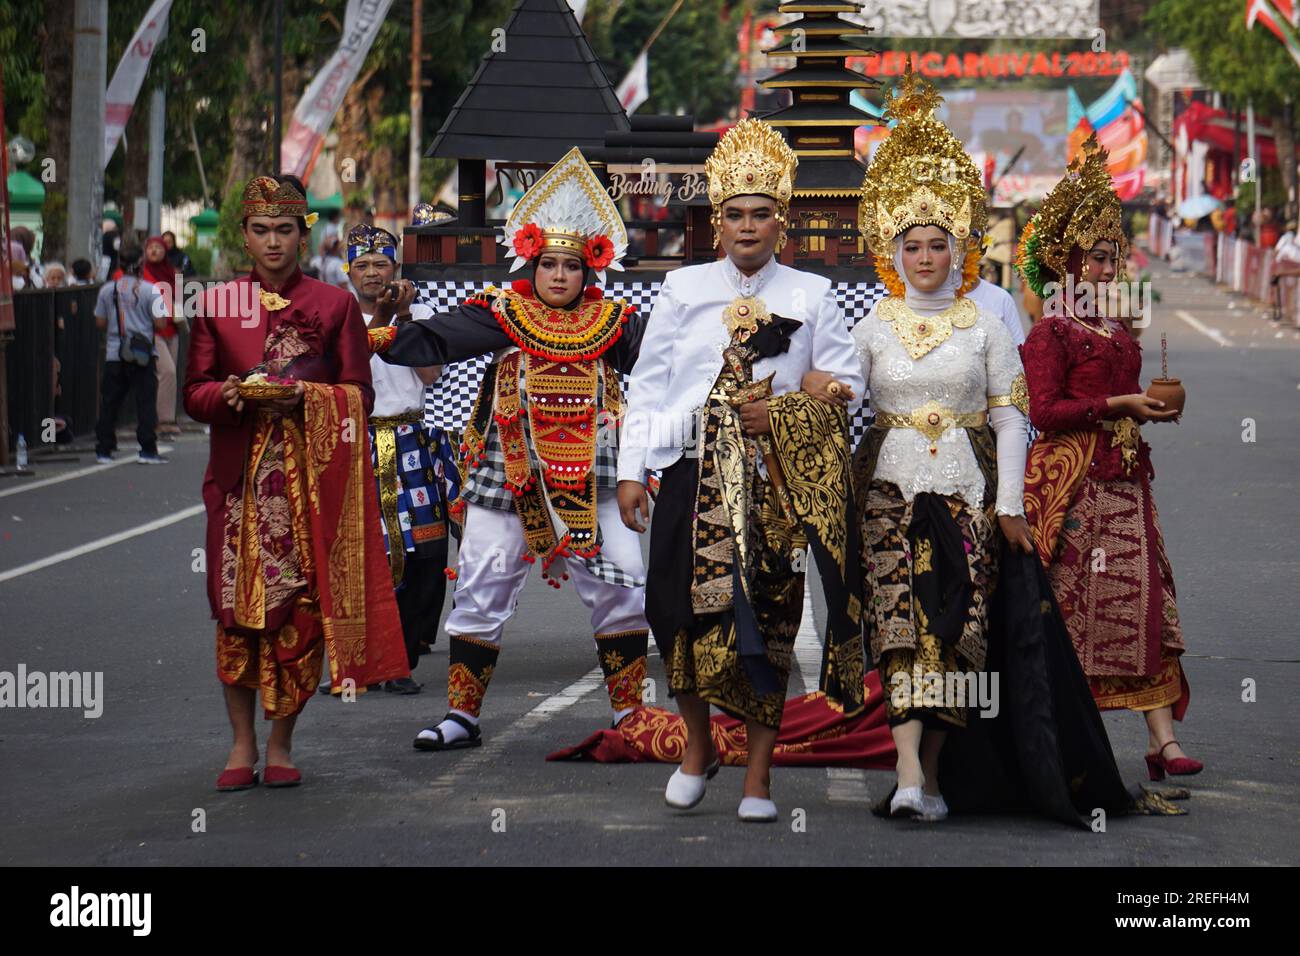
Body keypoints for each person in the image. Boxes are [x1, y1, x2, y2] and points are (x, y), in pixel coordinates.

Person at [617, 119, 867, 823]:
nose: (747, 226)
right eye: (735, 214)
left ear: (781, 222)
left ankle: (758, 777)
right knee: (674, 615)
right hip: (693, 471)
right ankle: (698, 748)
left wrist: (791, 407)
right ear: (717, 221)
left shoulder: (813, 294)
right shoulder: (682, 287)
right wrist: (633, 470)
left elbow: (844, 383)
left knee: (768, 619)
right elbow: (650, 383)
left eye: (761, 214)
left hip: (773, 482)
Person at [371, 148, 653, 750]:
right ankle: (461, 717)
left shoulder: (617, 321)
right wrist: (378, 330)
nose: (558, 276)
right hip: (511, 473)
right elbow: (434, 338)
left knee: (625, 580)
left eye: (570, 266)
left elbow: (663, 364)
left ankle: (632, 714)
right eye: (547, 263)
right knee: (481, 578)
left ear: (589, 270)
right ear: (531, 264)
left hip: (597, 475)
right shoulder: (503, 314)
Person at [841, 65, 1033, 822]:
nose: (926, 257)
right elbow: (844, 398)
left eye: (938, 244)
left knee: (957, 631)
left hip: (967, 493)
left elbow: (1012, 416)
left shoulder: (987, 323)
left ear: (961, 249)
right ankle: (907, 771)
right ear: (893, 249)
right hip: (887, 491)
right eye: (912, 245)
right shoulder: (872, 324)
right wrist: (819, 392)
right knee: (895, 626)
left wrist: (1011, 503)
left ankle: (935, 770)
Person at [183, 174, 408, 791]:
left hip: (312, 483)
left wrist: (301, 396)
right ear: (245, 236)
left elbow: (359, 395)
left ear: (303, 234)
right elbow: (193, 392)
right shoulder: (217, 303)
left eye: (285, 229)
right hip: (236, 488)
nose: (274, 242)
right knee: (234, 614)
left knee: (299, 613)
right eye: (261, 230)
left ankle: (281, 743)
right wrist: (226, 394)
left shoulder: (333, 306)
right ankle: (240, 744)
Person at [1018, 136, 1201, 781]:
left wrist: (1148, 406)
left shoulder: (1119, 330)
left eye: (1112, 258)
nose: (1106, 271)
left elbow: (1127, 399)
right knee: (1073, 616)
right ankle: (1067, 738)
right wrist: (1118, 404)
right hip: (1074, 489)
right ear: (1065, 262)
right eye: (1094, 259)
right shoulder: (1050, 332)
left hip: (1127, 485)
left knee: (1145, 603)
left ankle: (1163, 742)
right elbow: (1044, 413)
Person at [346, 221, 460, 694]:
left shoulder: (420, 312)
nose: (372, 273)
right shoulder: (339, 313)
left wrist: (406, 317)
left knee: (426, 551)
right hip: (359, 440)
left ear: (396, 267)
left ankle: (404, 655)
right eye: (362, 265)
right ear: (348, 271)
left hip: (412, 437)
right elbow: (344, 368)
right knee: (366, 550)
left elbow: (432, 376)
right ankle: (368, 658)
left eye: (381, 264)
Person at [92, 241, 169, 464]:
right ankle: (147, 449)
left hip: (115, 353)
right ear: (140, 264)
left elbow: (100, 321)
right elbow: (161, 323)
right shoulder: (150, 290)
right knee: (145, 402)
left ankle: (103, 449)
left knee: (110, 402)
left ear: (120, 264)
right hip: (143, 353)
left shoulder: (108, 289)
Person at [143, 235, 185, 439]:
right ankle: (163, 420)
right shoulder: (143, 274)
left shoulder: (170, 272)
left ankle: (164, 419)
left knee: (169, 374)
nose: (154, 251)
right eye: (150, 247)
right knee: (167, 372)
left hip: (171, 328)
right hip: (152, 330)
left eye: (158, 247)